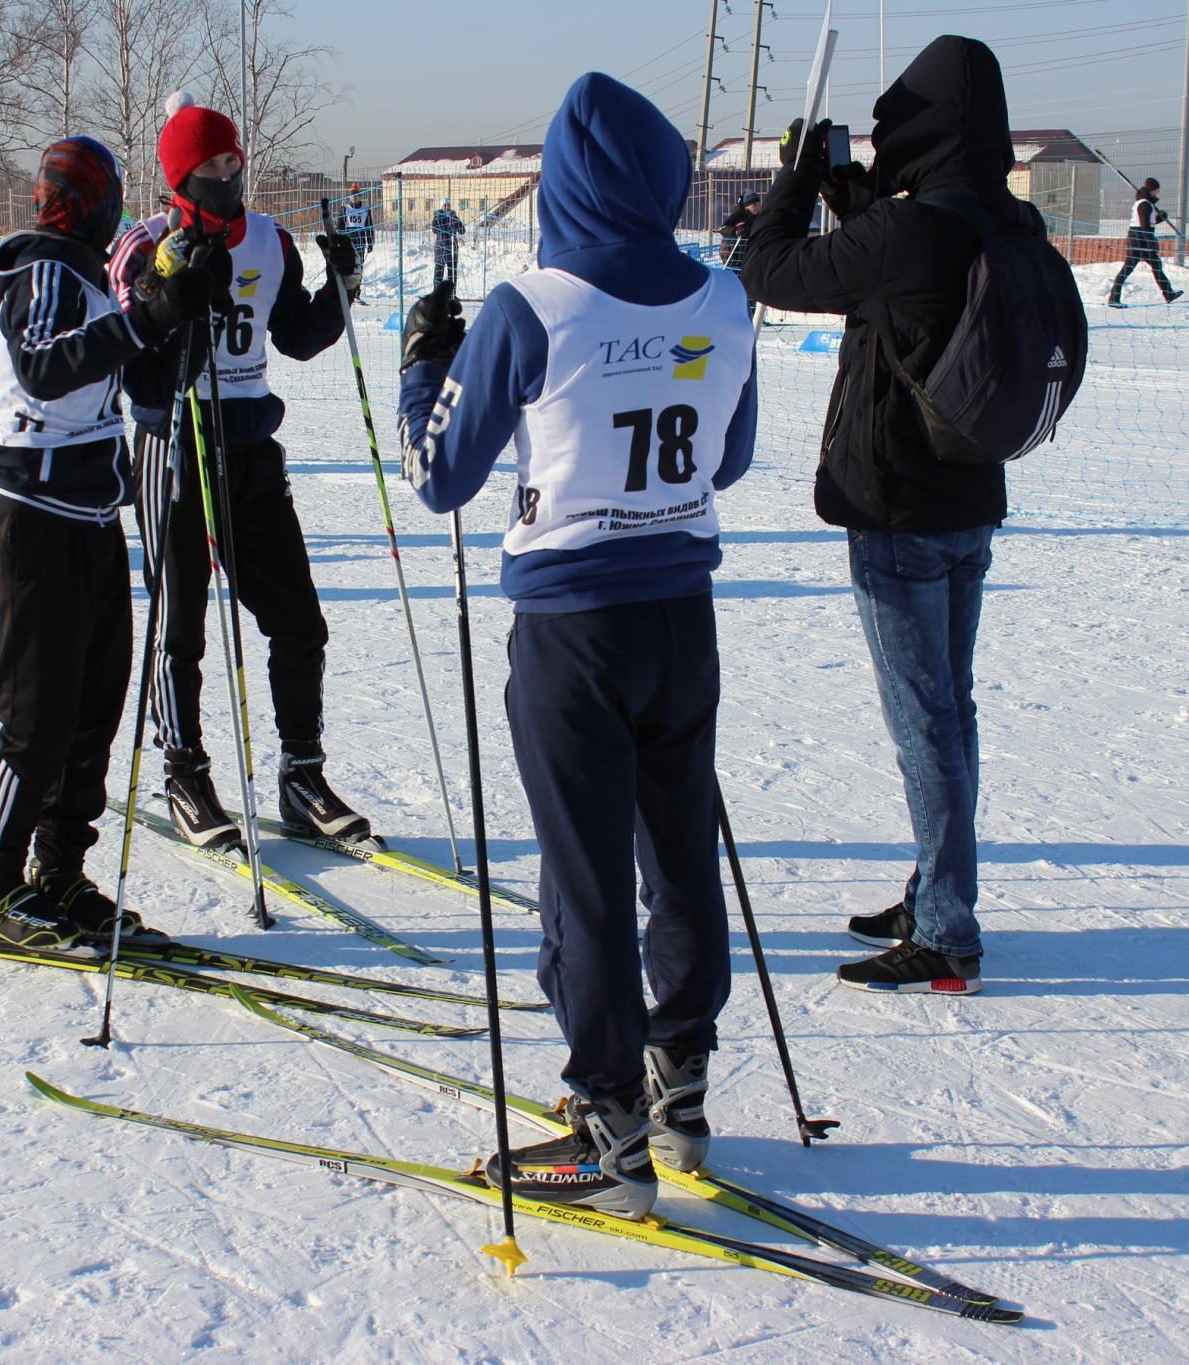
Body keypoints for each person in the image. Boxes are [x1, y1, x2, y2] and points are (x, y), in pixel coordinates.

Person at [397, 72, 758, 1218]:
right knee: (676, 845)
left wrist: (424, 371)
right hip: (677, 617)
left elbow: (438, 474)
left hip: (569, 628)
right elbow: (729, 458)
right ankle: (678, 1077)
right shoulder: (722, 297)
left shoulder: (530, 305)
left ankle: (606, 1126)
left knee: (586, 876)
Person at [739, 34, 1029, 996]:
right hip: (970, 496)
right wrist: (843, 191)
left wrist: (791, 180)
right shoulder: (1004, 220)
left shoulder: (912, 232)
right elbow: (901, 270)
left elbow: (768, 270)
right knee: (954, 712)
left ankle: (947, 930)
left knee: (926, 724)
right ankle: (936, 890)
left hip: (898, 507)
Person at [0, 136, 213, 947]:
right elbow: (43, 367)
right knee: (38, 715)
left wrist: (178, 314)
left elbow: (142, 377)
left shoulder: (92, 278)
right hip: (34, 519)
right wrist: (144, 314)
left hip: (93, 520)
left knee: (94, 710)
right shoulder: (41, 270)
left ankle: (60, 870)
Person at [108, 93, 366, 850]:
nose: (228, 175)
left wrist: (339, 290)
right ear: (180, 176)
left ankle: (301, 773)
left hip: (252, 447)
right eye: (211, 165)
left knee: (299, 621)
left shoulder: (270, 242)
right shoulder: (145, 243)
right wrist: (171, 301)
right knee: (179, 622)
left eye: (233, 160)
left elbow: (295, 337)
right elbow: (136, 360)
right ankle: (184, 770)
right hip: (177, 445)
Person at [1108, 176, 1181, 308]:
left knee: (1156, 264)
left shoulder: (1147, 204)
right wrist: (1151, 242)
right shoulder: (1144, 204)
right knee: (1128, 268)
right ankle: (1113, 298)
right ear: (1151, 190)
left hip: (1140, 237)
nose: (1158, 193)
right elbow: (1144, 226)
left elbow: (1149, 222)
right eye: (1157, 190)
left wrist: (1160, 218)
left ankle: (1168, 293)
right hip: (1139, 239)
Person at [429, 200, 465, 289]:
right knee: (438, 274)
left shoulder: (454, 216)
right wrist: (439, 218)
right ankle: (436, 295)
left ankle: (452, 295)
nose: (447, 207)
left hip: (452, 250)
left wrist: (455, 219)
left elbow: (462, 231)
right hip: (440, 250)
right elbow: (434, 230)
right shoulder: (437, 217)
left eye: (448, 205)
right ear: (441, 206)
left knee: (452, 274)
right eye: (445, 205)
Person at [717, 192, 760, 266]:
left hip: (749, 252)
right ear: (747, 206)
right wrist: (736, 231)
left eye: (758, 204)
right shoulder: (738, 215)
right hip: (733, 253)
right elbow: (722, 229)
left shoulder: (757, 216)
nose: (757, 206)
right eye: (754, 205)